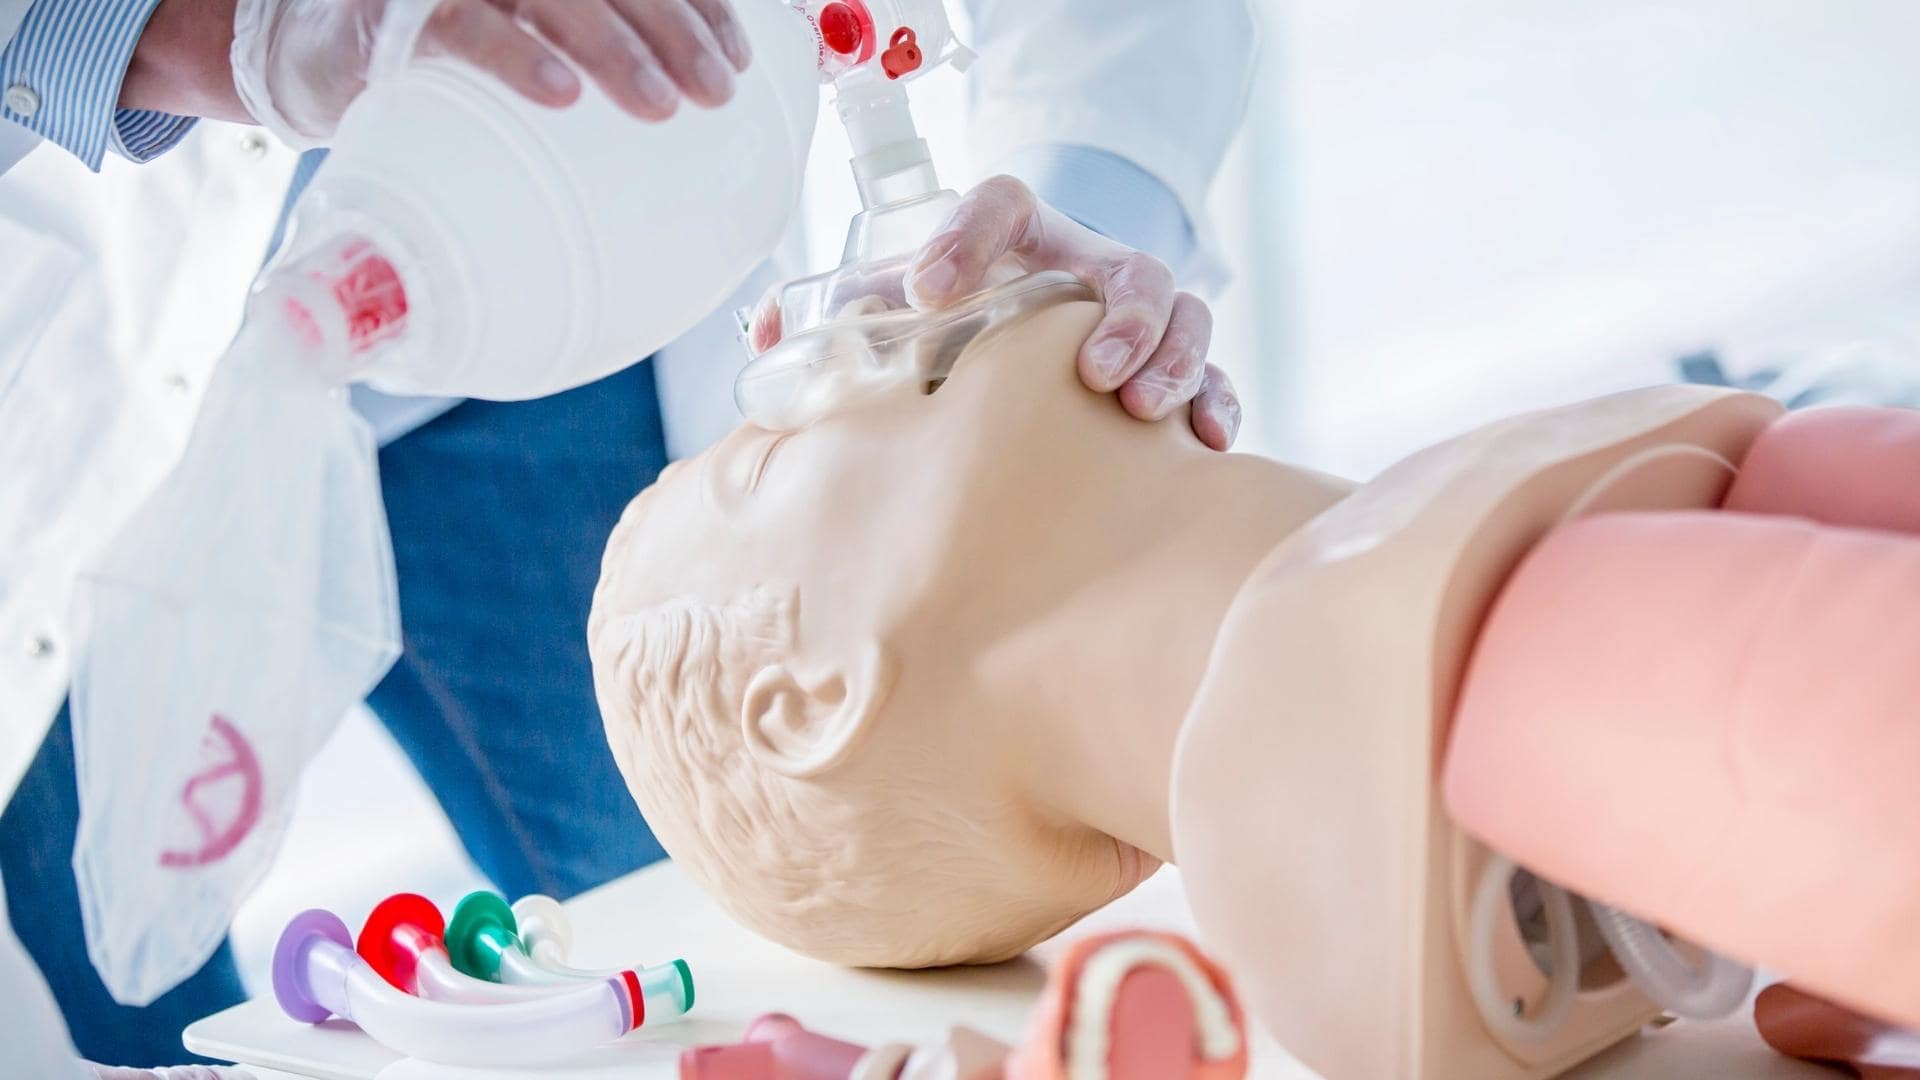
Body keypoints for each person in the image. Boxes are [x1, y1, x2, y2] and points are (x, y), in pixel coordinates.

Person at [0, 0, 1260, 1068]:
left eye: (763, 460)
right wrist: (186, 25)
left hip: (565, 301)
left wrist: (1071, 251)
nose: (797, 389)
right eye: (758, 465)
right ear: (815, 696)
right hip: (71, 345)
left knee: (707, 893)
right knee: (102, 972)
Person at [588, 292, 1920, 1077]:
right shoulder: (1487, 679)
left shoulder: (1518, 602)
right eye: (766, 454)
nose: (827, 348)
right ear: (816, 695)